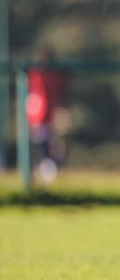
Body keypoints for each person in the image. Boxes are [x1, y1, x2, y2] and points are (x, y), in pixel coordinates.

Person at [26, 46, 70, 180]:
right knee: (41, 143)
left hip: (52, 114)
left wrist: (61, 109)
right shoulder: (35, 74)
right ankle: (44, 169)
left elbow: (62, 93)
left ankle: (49, 168)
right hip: (39, 114)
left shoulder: (54, 75)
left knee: (53, 144)